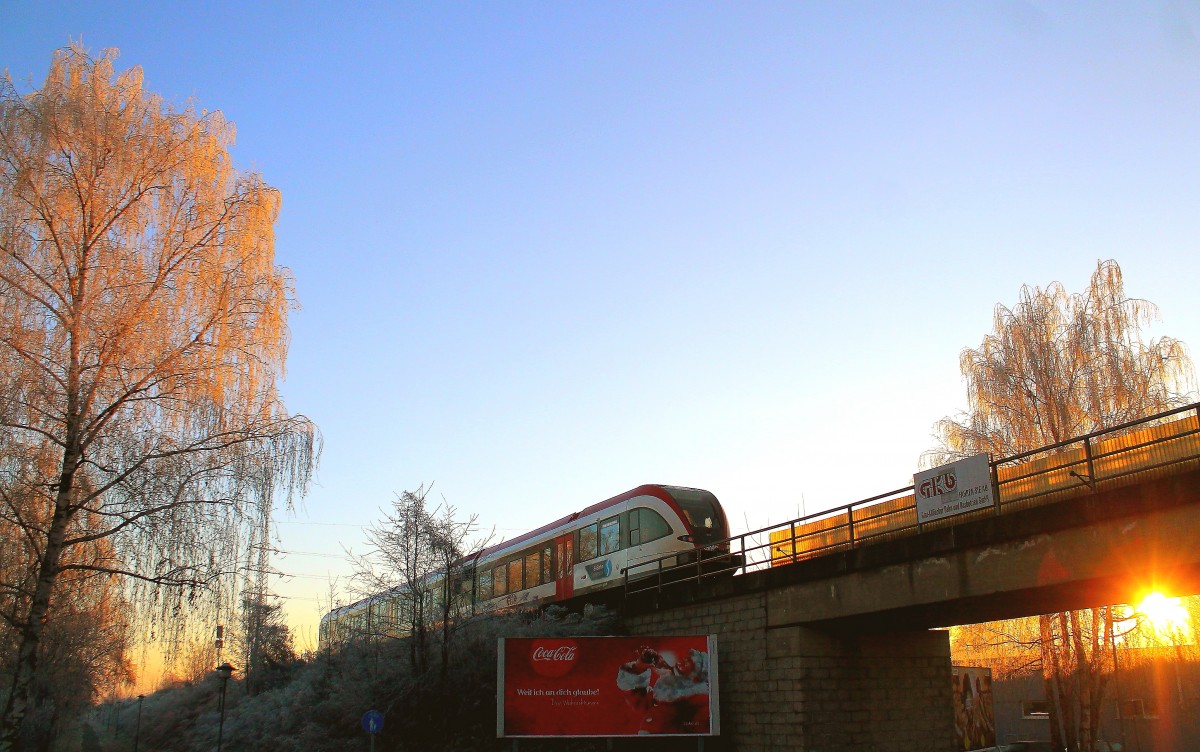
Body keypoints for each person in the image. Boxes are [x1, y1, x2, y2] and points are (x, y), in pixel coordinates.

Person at [615, 646, 710, 735]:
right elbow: (639, 699)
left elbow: (697, 729)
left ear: (696, 676)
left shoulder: (697, 700)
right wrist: (639, 667)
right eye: (685, 658)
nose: (683, 660)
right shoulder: (665, 691)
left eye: (689, 661)